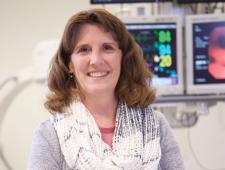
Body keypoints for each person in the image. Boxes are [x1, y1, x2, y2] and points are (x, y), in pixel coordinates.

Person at [28, 8, 184, 170]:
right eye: (84, 50)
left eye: (107, 48)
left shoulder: (157, 126)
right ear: (70, 64)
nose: (95, 60)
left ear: (123, 58)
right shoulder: (49, 136)